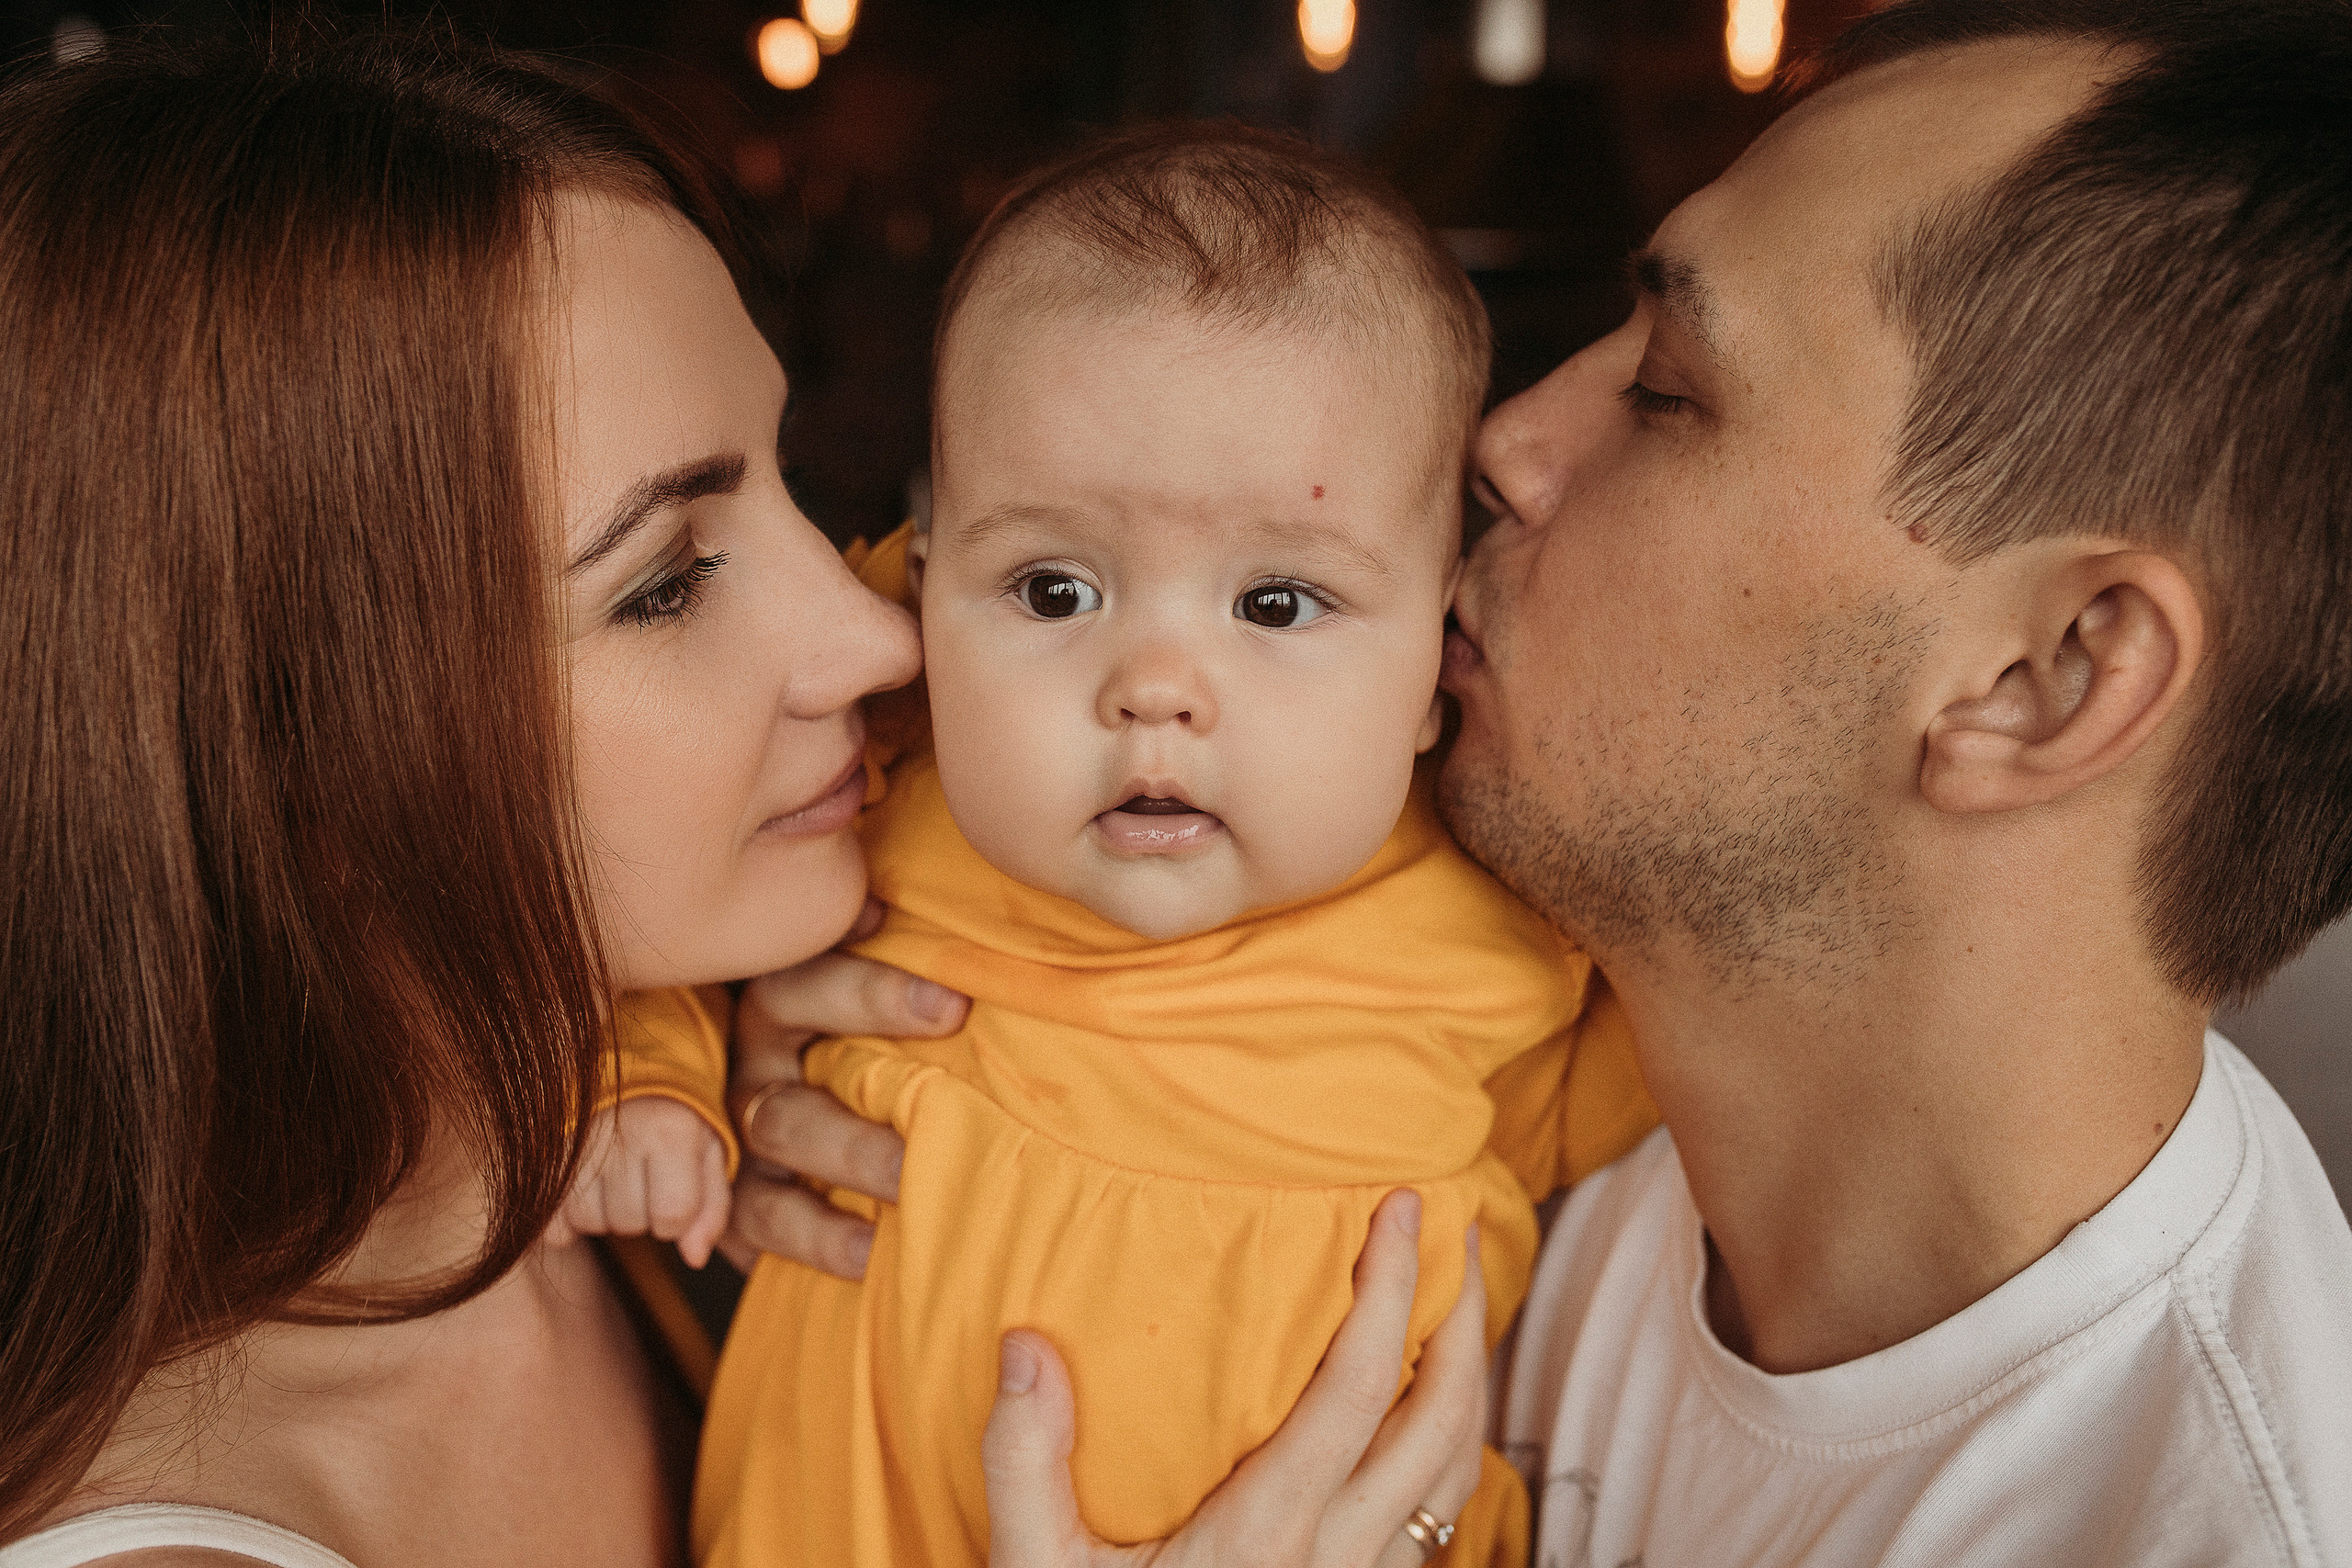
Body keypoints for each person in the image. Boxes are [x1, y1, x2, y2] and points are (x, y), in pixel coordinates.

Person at [0, 35, 1470, 1568]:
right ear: (301, 765)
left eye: (791, 478)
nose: (877, 633)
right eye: (667, 583)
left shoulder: (700, 1166)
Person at [965, 1, 2352, 1563]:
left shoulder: (2218, 1523)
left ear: (2047, 680)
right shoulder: (1507, 1020)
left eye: (1670, 393)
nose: (1503, 442)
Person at [564, 125, 1657, 1568]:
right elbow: (662, 935)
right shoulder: (891, 773)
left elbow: (1702, 1066)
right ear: (924, 582)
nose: (1155, 682)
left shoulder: (1519, 911)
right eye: (1054, 584)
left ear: (1436, 654)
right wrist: (651, 1087)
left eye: (1277, 605)